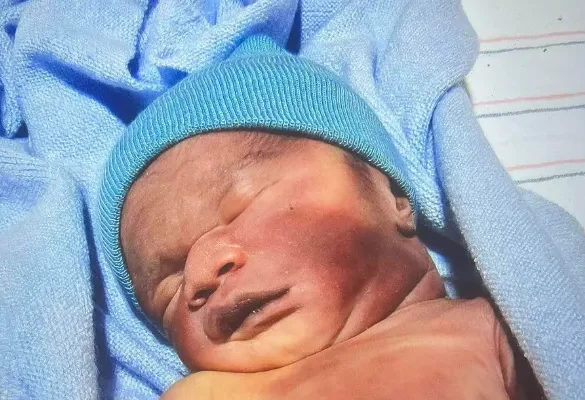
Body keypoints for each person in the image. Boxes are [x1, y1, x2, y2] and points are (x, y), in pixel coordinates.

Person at [100, 35, 520, 399]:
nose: (201, 272)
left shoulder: (482, 333)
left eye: (244, 204)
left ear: (393, 198)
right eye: (169, 289)